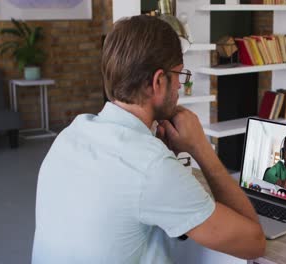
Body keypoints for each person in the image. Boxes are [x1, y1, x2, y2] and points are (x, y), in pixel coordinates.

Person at [32, 15, 265, 263]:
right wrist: (200, 148)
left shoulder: (71, 134)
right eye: (179, 75)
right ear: (157, 82)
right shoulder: (151, 167)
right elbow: (254, 243)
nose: (179, 86)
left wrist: (160, 156)